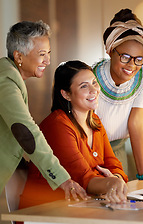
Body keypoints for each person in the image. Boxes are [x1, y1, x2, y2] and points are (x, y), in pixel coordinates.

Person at [0, 21, 88, 224]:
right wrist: (62, 179)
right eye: (42, 54)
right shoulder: (6, 79)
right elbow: (26, 131)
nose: (48, 60)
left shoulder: (6, 73)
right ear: (19, 56)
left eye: (48, 53)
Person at [19, 61, 128, 210]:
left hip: (81, 207)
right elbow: (85, 180)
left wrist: (116, 179)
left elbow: (114, 166)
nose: (94, 90)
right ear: (66, 94)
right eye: (84, 86)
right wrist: (111, 183)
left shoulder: (94, 121)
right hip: (44, 211)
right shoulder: (58, 125)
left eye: (94, 83)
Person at [92, 8, 143, 180]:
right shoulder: (91, 77)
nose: (132, 65)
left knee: (120, 199)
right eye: (125, 57)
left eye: (138, 59)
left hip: (117, 148)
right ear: (110, 51)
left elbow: (137, 121)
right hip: (90, 148)